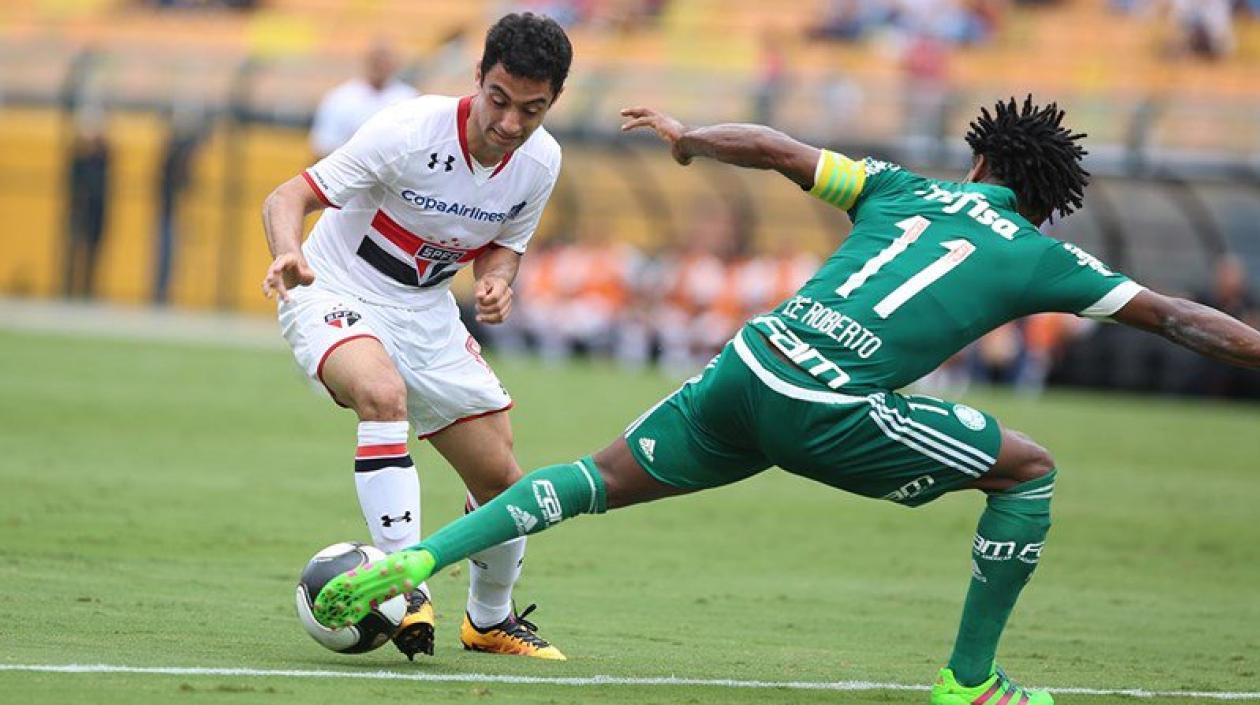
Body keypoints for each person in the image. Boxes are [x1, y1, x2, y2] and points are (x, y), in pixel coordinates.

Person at [310, 97, 1260, 702]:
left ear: (976, 163)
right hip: (829, 405)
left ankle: (416, 559)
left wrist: (688, 140)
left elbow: (769, 146)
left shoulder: (899, 185)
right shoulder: (1047, 255)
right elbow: (1179, 318)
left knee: (588, 477)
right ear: (1047, 199)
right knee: (1028, 470)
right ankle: (972, 680)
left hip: (749, 366)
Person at [261, 12, 572, 661]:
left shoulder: (540, 162)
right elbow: (287, 195)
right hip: (336, 286)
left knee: (503, 478)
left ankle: (489, 619)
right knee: (381, 393)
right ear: (478, 78)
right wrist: (289, 254)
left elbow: (503, 245)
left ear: (553, 102)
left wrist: (497, 279)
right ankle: (408, 583)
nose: (510, 123)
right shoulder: (408, 130)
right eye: (499, 100)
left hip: (428, 311)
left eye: (532, 109)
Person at [309, 41, 418, 160]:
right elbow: (323, 147)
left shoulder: (409, 99)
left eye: (385, 61)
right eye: (376, 61)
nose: (380, 66)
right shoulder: (340, 98)